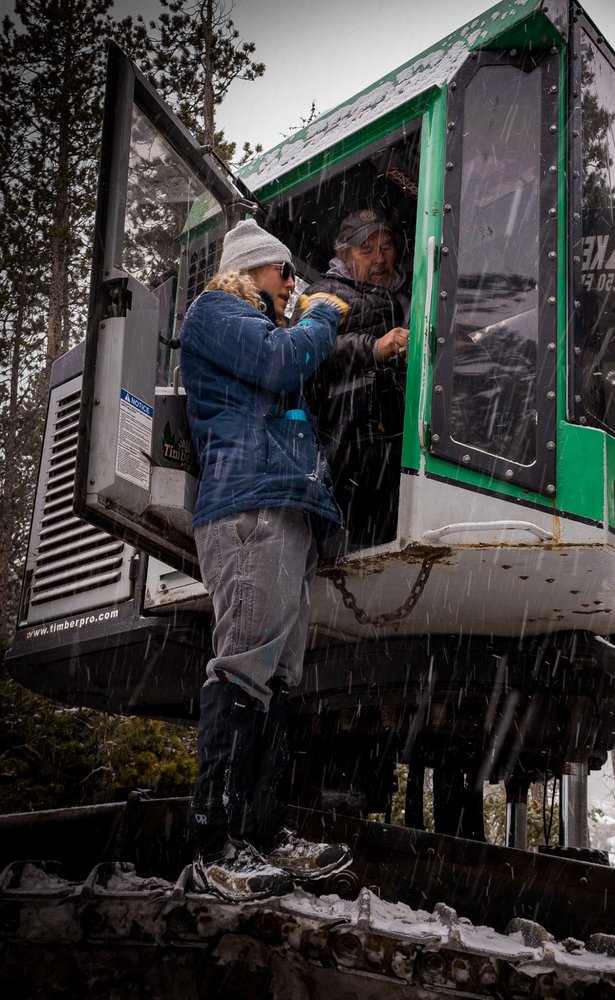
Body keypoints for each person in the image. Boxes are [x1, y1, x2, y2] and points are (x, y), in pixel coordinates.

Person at [179, 218, 353, 902]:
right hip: (246, 507)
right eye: (286, 275)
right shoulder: (216, 311)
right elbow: (285, 363)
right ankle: (213, 845)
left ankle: (263, 830)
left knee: (278, 678)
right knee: (245, 668)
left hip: (281, 507)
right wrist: (321, 319)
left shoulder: (263, 325)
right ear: (253, 270)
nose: (293, 286)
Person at [295, 208, 410, 547]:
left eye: (386, 247)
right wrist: (373, 347)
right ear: (343, 255)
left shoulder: (409, 294)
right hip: (348, 451)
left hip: (393, 445)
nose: (380, 258)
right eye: (367, 250)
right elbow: (306, 349)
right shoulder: (324, 295)